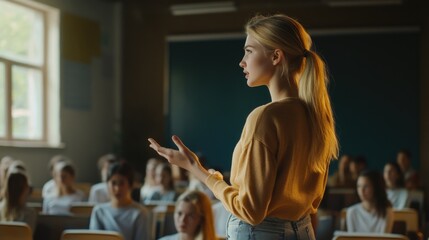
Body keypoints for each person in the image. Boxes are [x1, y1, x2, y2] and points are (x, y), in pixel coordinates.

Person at [149, 13, 338, 239]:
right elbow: (313, 201)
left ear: (276, 56)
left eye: (249, 51)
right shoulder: (316, 117)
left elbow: (250, 211)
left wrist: (196, 169)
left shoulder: (265, 117)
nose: (242, 61)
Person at [90, 161, 150, 240]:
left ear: (130, 185)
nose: (117, 189)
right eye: (113, 183)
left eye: (122, 183)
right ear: (107, 184)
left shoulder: (140, 213)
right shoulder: (99, 211)